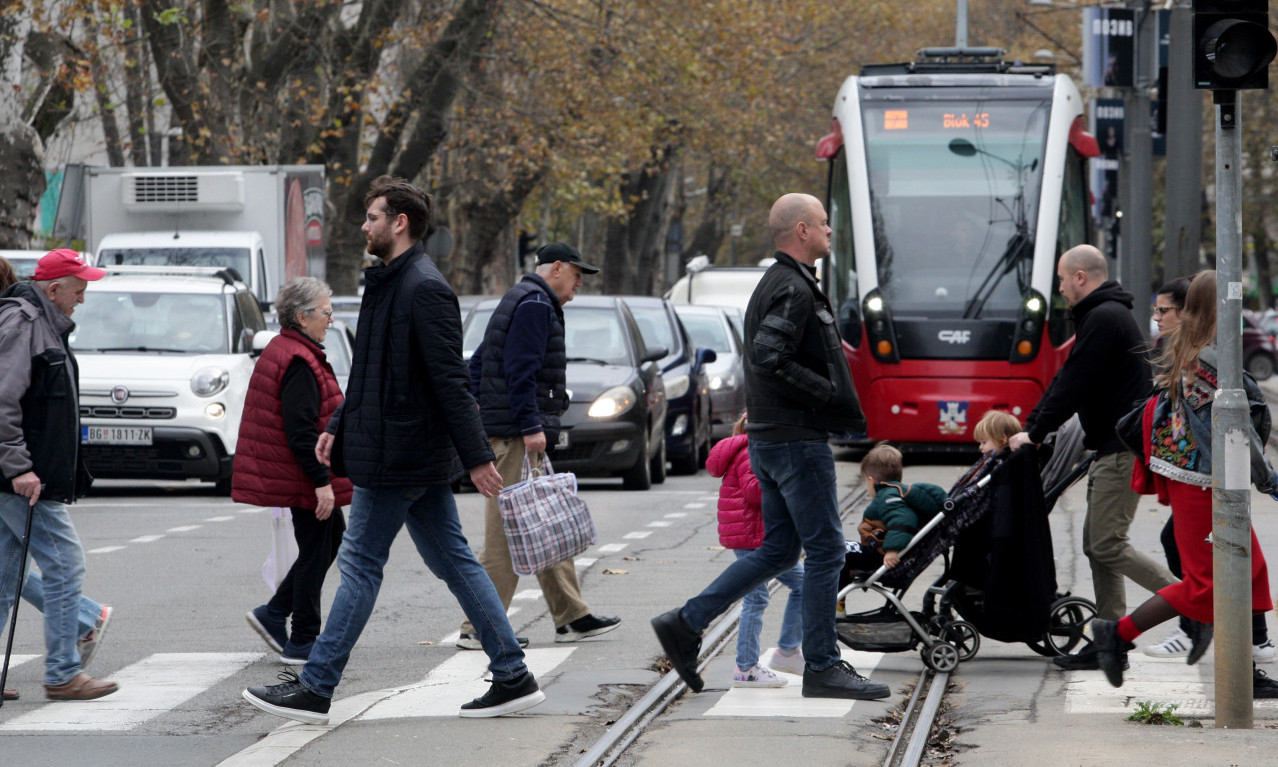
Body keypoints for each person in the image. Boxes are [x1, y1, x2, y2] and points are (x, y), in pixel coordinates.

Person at [241, 176, 542, 725]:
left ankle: (317, 685)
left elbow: (450, 381)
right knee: (452, 560)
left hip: (400, 452)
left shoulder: (424, 288)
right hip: (395, 446)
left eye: (373, 216)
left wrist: (478, 457)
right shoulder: (388, 282)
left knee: (358, 564)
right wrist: (337, 421)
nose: (364, 225)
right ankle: (513, 673)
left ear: (399, 223)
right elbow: (371, 374)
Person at [651, 192, 890, 700]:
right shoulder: (793, 287)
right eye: (824, 224)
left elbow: (770, 355)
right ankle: (823, 665)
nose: (830, 231)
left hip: (770, 439)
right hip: (796, 441)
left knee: (780, 549)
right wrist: (826, 394)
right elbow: (769, 355)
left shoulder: (778, 282)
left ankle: (686, 621)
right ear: (801, 230)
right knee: (826, 552)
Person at [1092, 270, 1278, 698]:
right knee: (1206, 583)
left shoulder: (1199, 349)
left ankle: (1251, 655)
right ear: (1222, 307)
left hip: (1204, 479)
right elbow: (1236, 431)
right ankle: (1116, 632)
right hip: (1200, 483)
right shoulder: (1212, 358)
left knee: (1250, 567)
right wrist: (1268, 479)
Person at [1008, 244, 1175, 672]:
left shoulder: (1104, 318)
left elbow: (1074, 383)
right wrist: (1034, 425)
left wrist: (1035, 431)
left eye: (1063, 279)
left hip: (1123, 451)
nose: (1061, 288)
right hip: (1112, 448)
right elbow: (1069, 378)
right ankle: (1110, 637)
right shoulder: (1103, 317)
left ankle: (1191, 602)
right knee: (1096, 545)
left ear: (1081, 277)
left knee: (1105, 543)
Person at [457, 242, 620, 649]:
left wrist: (481, 403)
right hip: (515, 435)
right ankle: (479, 628)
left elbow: (479, 362)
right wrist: (529, 425)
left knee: (545, 522)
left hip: (510, 430)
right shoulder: (535, 304)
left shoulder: (519, 298)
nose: (580, 283)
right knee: (506, 536)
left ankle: (572, 617)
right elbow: (520, 370)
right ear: (558, 268)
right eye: (578, 274)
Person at [0, 248, 117, 702]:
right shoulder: (25, 324)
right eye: (79, 290)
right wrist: (20, 467)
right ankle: (63, 673)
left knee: (6, 576)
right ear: (54, 289)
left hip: (24, 475)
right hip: (23, 478)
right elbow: (4, 401)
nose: (82, 299)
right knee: (66, 565)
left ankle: (62, 671)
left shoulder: (39, 322)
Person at [234, 277, 354, 665]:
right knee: (318, 547)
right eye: (326, 313)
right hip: (304, 475)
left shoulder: (292, 349)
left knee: (330, 538)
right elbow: (301, 431)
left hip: (301, 472)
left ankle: (274, 613)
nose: (331, 320)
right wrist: (321, 483)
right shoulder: (299, 360)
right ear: (302, 316)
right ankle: (302, 639)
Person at [707, 412, 804, 688]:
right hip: (750, 536)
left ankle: (787, 651)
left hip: (759, 536)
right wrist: (786, 481)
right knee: (756, 598)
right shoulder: (753, 451)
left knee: (803, 582)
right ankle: (746, 668)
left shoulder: (754, 448)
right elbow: (753, 491)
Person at [840, 443, 947, 580]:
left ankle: (836, 599)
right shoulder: (894, 493)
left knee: (836, 552)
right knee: (838, 549)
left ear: (871, 481)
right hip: (881, 552)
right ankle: (836, 598)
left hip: (881, 557)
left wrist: (892, 550)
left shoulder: (888, 496)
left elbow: (903, 518)